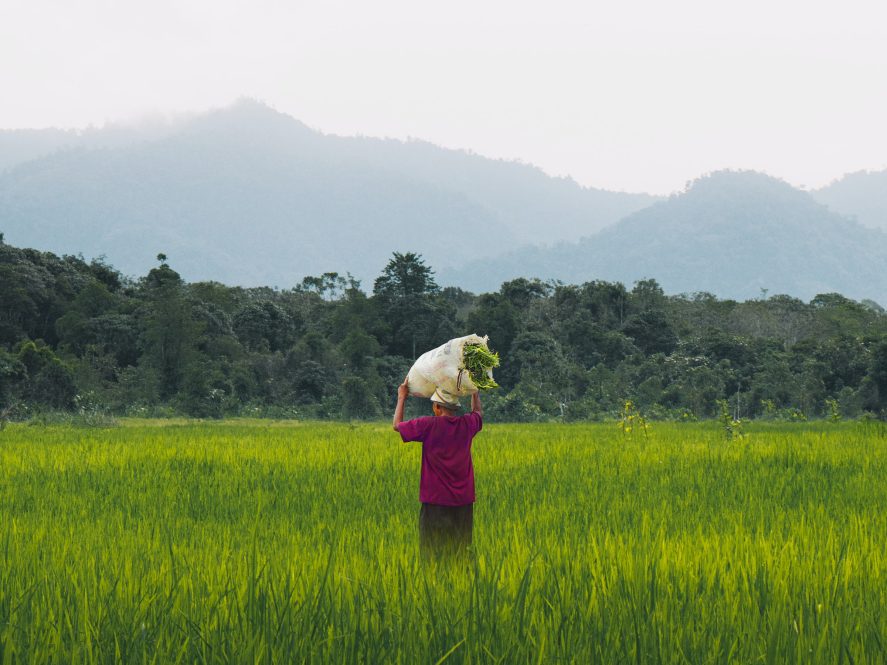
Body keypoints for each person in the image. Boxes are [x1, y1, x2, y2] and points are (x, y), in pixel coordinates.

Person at [392, 377, 483, 557]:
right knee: (461, 552)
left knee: (432, 553)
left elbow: (397, 426)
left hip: (435, 501)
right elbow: (478, 412)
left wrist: (401, 397)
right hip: (463, 502)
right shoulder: (466, 424)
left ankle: (435, 583)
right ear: (454, 408)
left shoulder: (427, 425)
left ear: (437, 407)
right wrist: (475, 392)